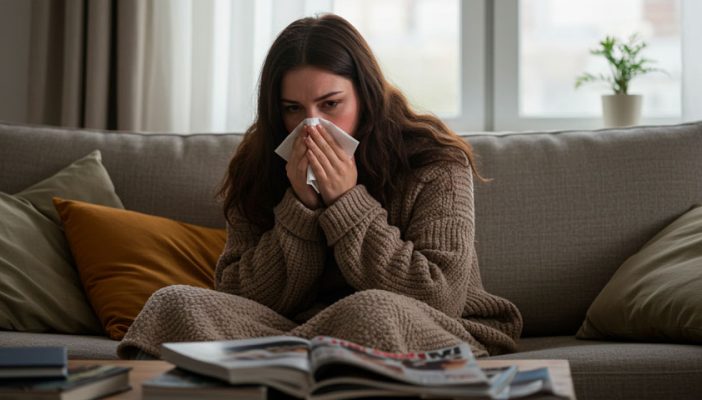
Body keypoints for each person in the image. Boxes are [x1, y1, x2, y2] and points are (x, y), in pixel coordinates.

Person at [118, 13, 522, 359]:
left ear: (365, 96)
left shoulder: (434, 160)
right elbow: (237, 293)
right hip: (294, 327)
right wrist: (300, 208)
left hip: (431, 326)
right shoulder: (257, 161)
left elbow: (441, 296)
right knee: (173, 302)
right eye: (293, 109)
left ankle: (290, 358)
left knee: (369, 311)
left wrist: (346, 202)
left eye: (330, 105)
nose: (311, 126)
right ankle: (309, 356)